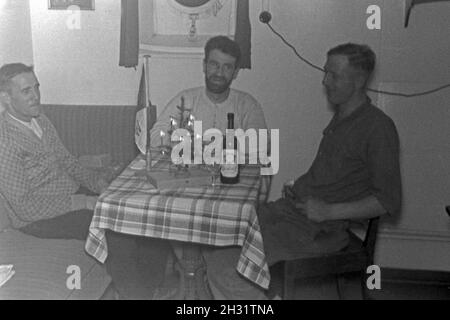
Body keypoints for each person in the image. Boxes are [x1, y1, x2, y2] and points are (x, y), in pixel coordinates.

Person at [204, 43, 402, 299]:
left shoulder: (378, 127)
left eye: (334, 75)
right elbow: (339, 176)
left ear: (360, 80)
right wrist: (301, 186)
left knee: (227, 267)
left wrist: (328, 210)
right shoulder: (344, 116)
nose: (325, 81)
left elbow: (388, 201)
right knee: (212, 232)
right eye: (325, 72)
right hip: (292, 213)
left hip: (320, 230)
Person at [0, 63, 170, 299]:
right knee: (117, 233)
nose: (36, 95)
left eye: (36, 87)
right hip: (39, 219)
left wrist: (100, 184)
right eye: (26, 91)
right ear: (6, 98)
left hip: (70, 197)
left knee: (142, 213)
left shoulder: (40, 119)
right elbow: (25, 207)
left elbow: (68, 162)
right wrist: (83, 202)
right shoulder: (5, 141)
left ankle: (152, 288)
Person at [149, 36, 269, 299]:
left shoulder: (246, 104)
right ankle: (192, 278)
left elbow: (259, 151)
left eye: (227, 67)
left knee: (224, 260)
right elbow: (156, 137)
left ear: (236, 72)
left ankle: (205, 278)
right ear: (204, 65)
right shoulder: (185, 99)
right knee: (169, 216)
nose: (219, 72)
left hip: (229, 195)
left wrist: (200, 148)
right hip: (188, 191)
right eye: (214, 64)